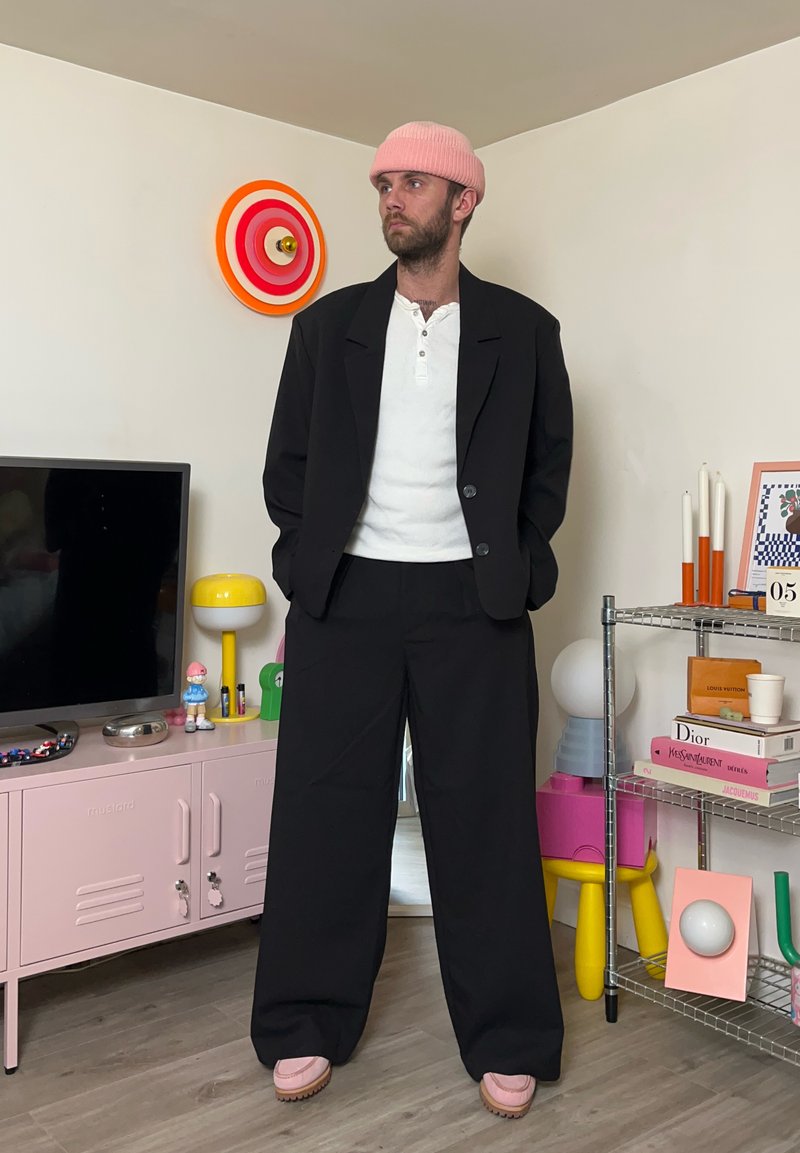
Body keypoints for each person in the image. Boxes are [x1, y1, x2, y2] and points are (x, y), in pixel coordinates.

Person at [251, 121, 573, 1119]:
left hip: (468, 603)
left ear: (463, 200)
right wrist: (303, 568)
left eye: (413, 182)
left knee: (481, 819)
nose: (391, 196)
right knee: (321, 811)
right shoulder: (325, 325)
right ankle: (304, 1021)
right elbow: (288, 472)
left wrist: (515, 572)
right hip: (345, 596)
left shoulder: (523, 331)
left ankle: (509, 1034)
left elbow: (544, 473)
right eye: (383, 181)